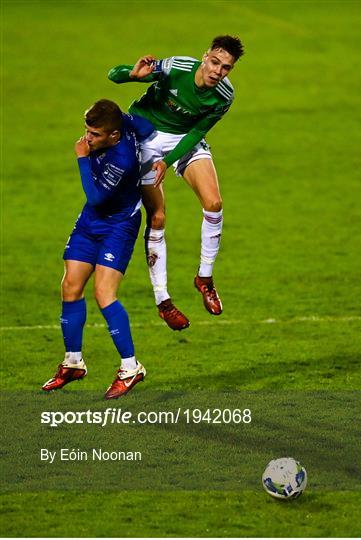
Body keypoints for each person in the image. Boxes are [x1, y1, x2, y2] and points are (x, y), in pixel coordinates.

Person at [108, 35, 244, 331]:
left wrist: (168, 162)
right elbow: (112, 75)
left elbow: (197, 132)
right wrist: (130, 76)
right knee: (157, 216)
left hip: (183, 140)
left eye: (226, 68)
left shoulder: (224, 95)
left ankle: (204, 278)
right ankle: (163, 300)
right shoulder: (176, 67)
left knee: (214, 203)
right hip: (144, 136)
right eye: (215, 62)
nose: (217, 71)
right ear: (205, 55)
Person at [42, 99, 155, 400]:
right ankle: (73, 362)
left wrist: (81, 157)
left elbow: (95, 197)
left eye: (94, 135)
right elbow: (149, 126)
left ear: (113, 136)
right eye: (86, 132)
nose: (87, 139)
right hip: (90, 223)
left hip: (118, 225)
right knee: (70, 285)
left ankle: (131, 368)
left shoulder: (122, 160)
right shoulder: (124, 123)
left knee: (104, 294)